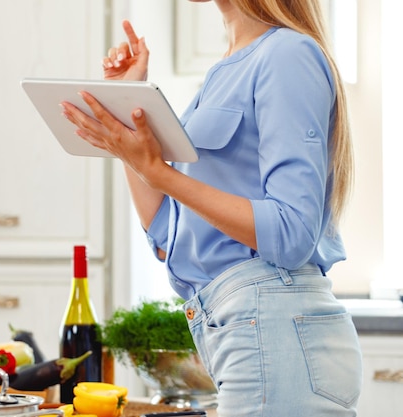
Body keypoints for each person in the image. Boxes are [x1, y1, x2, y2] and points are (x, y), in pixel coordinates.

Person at [60, 1, 363, 416]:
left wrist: (159, 172)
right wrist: (124, 115)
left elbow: (292, 234)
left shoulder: (288, 55)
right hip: (239, 329)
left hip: (275, 328)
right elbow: (168, 236)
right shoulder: (228, 69)